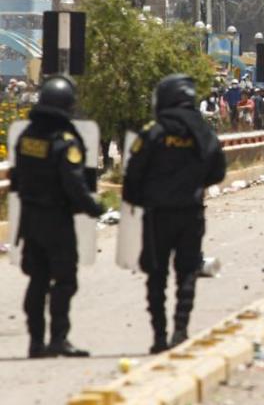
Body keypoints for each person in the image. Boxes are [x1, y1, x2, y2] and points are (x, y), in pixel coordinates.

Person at [123, 74, 227, 353]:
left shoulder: (153, 132)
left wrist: (138, 199)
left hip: (157, 216)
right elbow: (218, 171)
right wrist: (192, 186)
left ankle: (159, 336)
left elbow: (132, 174)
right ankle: (180, 330)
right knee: (187, 272)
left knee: (156, 275)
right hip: (190, 213)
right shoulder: (203, 132)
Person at [10, 76, 104, 358]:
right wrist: (93, 207)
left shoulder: (27, 138)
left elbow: (19, 176)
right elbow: (73, 183)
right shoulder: (65, 141)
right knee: (65, 280)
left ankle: (35, 342)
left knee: (37, 279)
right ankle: (58, 338)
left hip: (30, 219)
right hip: (56, 221)